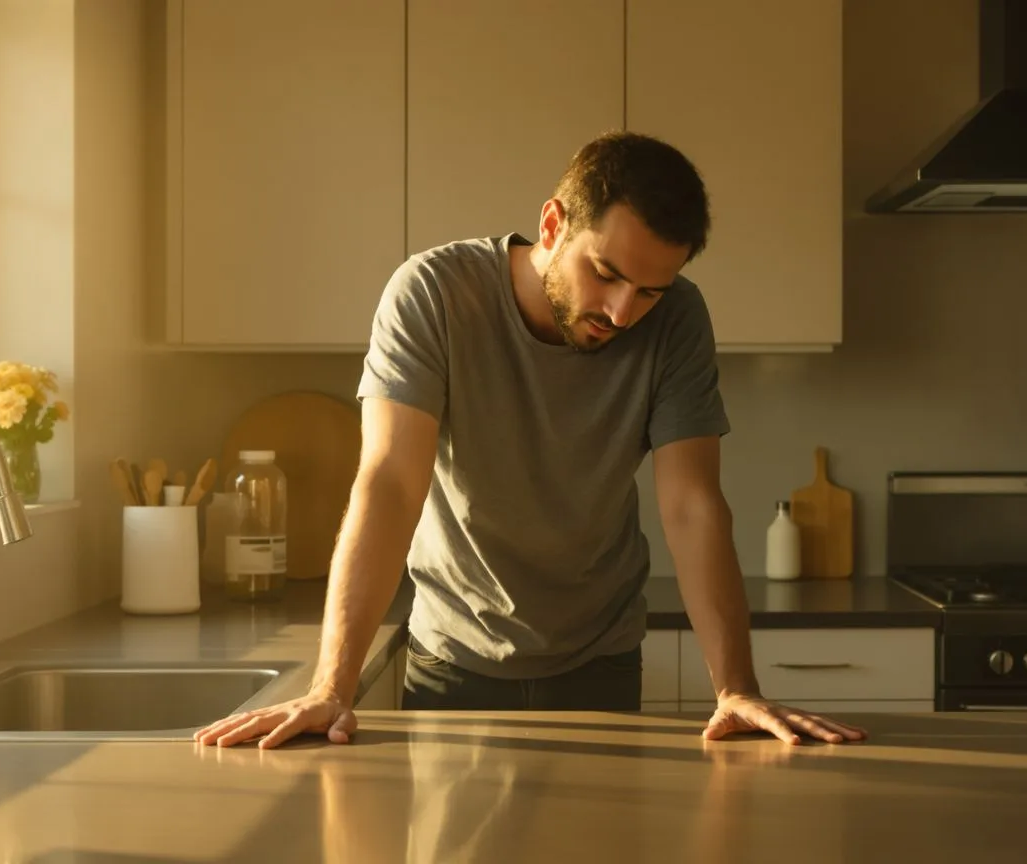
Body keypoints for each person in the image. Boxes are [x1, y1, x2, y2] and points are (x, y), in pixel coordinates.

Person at [194, 131, 868, 751]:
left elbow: (691, 505)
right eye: (605, 274)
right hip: (452, 661)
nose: (621, 312)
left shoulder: (678, 320)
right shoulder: (432, 294)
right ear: (553, 224)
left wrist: (737, 687)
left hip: (601, 663)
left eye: (650, 291)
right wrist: (330, 688)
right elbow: (391, 484)